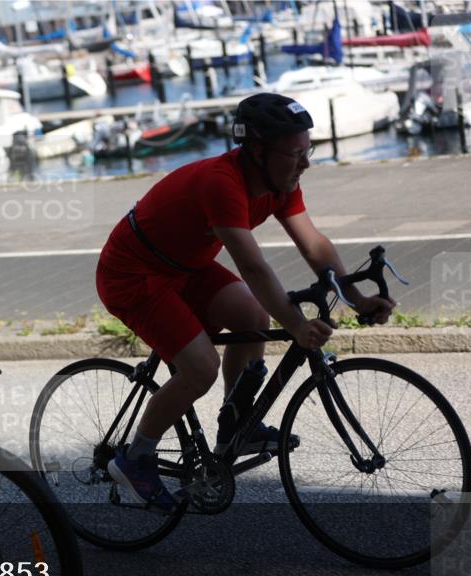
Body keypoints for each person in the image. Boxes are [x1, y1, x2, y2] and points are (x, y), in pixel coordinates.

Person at [95, 93, 396, 512]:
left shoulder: (279, 184)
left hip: (185, 266)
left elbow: (313, 243)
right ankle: (135, 458)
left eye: (307, 151)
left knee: (253, 316)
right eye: (295, 154)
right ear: (257, 151)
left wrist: (357, 298)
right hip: (133, 274)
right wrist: (295, 325)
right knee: (200, 368)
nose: (305, 164)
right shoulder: (222, 183)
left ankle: (235, 426)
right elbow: (253, 267)